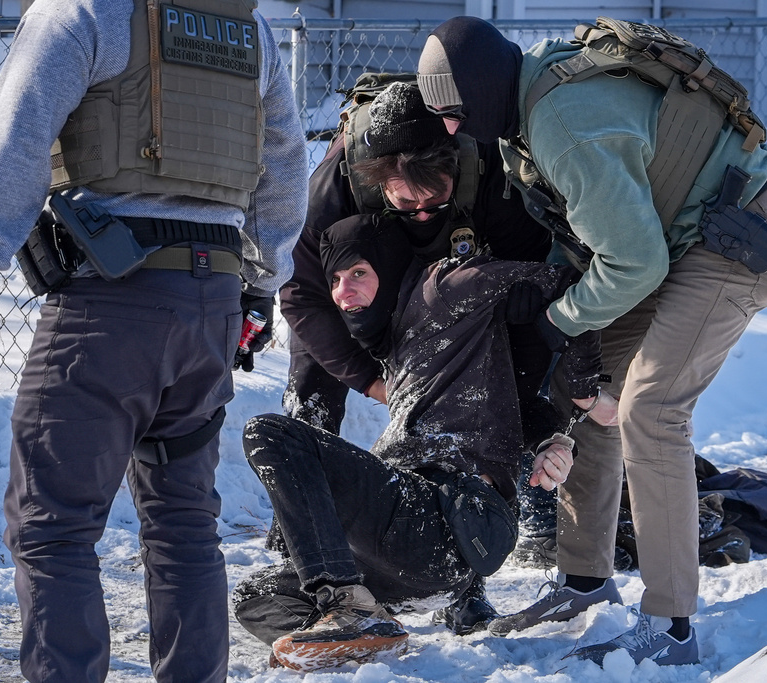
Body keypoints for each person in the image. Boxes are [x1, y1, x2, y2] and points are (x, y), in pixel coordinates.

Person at [0, 1, 307, 681]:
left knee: (52, 526)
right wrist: (261, 278)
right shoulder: (243, 26)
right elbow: (284, 157)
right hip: (212, 302)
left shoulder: (84, 10)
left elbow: (18, 135)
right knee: (186, 524)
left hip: (111, 304)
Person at [417, 16, 767, 666]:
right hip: (675, 237)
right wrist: (572, 337)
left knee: (651, 407)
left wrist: (560, 320)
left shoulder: (559, 123)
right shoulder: (527, 99)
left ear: (481, 87)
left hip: (735, 241)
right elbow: (610, 238)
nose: (451, 129)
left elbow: (635, 264)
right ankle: (584, 581)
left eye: (453, 113)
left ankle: (672, 625)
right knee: (588, 388)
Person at [233, 214, 617, 671]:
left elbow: (565, 280)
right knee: (255, 598)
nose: (343, 292)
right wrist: (548, 438)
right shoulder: (396, 343)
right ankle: (368, 630)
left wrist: (583, 390)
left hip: (446, 524)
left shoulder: (444, 287)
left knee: (269, 433)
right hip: (403, 564)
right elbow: (497, 407)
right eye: (334, 279)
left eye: (358, 273)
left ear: (389, 265)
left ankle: (351, 608)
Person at [278, 79, 561, 568]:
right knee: (312, 390)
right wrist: (368, 378)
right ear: (378, 185)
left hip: (460, 279)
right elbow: (302, 296)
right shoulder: (333, 192)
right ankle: (299, 526)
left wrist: (522, 304)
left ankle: (524, 495)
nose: (424, 214)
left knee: (509, 358)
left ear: (456, 169)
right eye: (407, 205)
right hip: (362, 282)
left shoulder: (491, 174)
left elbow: (537, 270)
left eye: (436, 201)